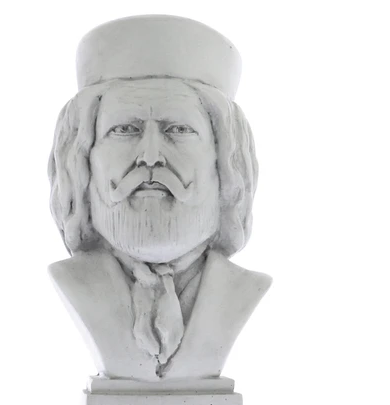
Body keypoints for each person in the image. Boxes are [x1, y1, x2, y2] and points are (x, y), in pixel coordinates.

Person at [48, 16, 272, 381]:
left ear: (224, 159)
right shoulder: (73, 281)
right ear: (83, 158)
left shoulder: (244, 289)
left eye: (178, 130)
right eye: (125, 129)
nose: (150, 157)